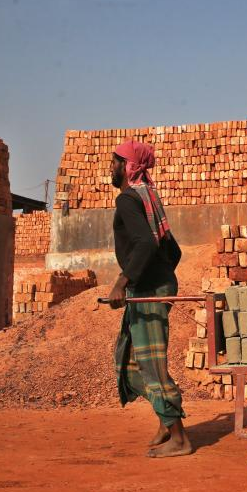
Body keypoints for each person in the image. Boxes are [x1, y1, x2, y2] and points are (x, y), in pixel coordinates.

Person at [106, 140, 191, 457]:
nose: (110, 167)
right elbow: (173, 250)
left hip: (147, 291)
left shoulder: (128, 199)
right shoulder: (149, 197)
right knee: (128, 361)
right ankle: (166, 419)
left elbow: (144, 244)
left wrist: (122, 282)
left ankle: (180, 439)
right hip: (150, 288)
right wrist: (162, 277)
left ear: (127, 166)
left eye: (115, 162)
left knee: (150, 365)